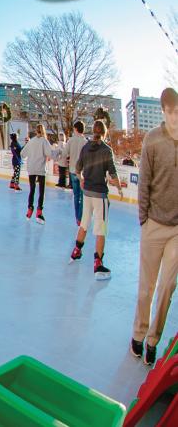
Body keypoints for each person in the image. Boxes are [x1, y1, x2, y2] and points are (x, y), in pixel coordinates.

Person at [131, 87, 178, 366]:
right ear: (164, 112)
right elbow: (144, 181)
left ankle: (153, 339)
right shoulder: (153, 139)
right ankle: (139, 332)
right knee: (147, 287)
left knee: (167, 288)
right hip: (154, 225)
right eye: (170, 112)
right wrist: (144, 220)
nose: (174, 117)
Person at [68, 120, 122, 282]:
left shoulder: (85, 148)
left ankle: (77, 250)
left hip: (87, 194)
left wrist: (82, 179)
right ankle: (98, 263)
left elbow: (77, 170)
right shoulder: (106, 150)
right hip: (99, 195)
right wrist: (119, 187)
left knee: (84, 223)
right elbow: (112, 172)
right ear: (104, 133)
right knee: (101, 228)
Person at [21, 124, 53, 224]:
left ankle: (30, 209)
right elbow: (50, 154)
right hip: (40, 169)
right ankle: (39, 212)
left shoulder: (31, 142)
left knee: (32, 190)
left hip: (31, 169)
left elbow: (22, 154)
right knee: (41, 191)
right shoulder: (44, 141)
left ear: (36, 131)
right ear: (43, 131)